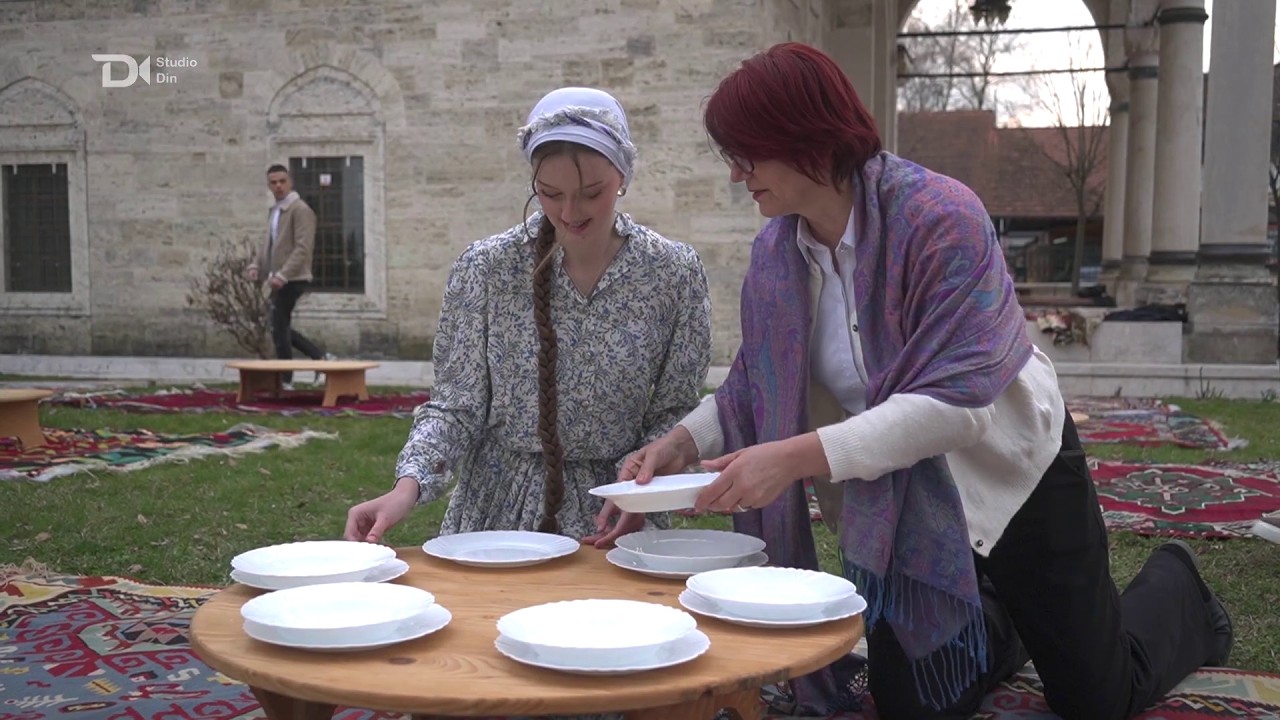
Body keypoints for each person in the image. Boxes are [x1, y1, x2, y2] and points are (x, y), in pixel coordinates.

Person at [609, 43, 1233, 720]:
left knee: (1096, 700)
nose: (736, 175)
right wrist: (679, 442)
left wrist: (790, 459)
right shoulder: (776, 253)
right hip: (901, 506)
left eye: (747, 153)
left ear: (804, 136)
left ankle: (1180, 589)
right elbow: (755, 385)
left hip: (1012, 478)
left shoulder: (941, 217)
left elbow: (959, 407)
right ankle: (1002, 616)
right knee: (918, 706)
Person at [344, 87, 712, 547]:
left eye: (591, 193)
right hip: (498, 514)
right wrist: (407, 487)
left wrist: (645, 485)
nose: (569, 212)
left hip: (615, 513)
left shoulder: (672, 273)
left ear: (623, 175)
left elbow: (676, 408)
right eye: (550, 194)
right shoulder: (487, 268)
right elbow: (456, 406)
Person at [246, 164, 334, 388]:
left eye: (282, 181)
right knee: (279, 325)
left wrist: (283, 275)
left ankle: (286, 379)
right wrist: (257, 265)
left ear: (290, 182)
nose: (278, 186)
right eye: (273, 182)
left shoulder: (300, 209)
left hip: (294, 278)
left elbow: (303, 248)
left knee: (278, 326)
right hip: (278, 278)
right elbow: (269, 244)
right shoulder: (275, 210)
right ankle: (320, 358)